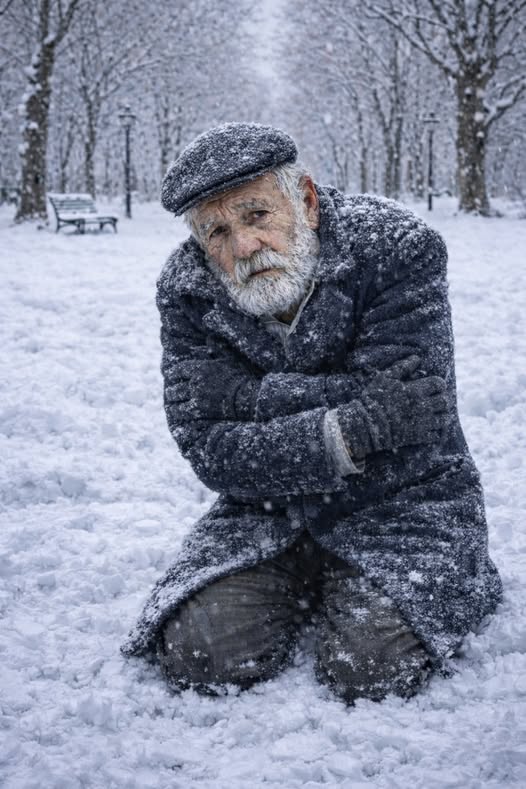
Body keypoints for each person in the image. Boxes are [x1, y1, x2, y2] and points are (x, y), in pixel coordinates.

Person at [122, 123, 502, 703]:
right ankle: (311, 583)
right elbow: (209, 448)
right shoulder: (187, 290)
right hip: (265, 512)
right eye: (217, 231)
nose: (243, 247)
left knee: (368, 669)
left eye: (255, 216)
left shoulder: (396, 246)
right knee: (199, 655)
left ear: (305, 199)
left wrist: (250, 400)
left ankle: (381, 586)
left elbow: (413, 412)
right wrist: (347, 427)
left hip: (405, 503)